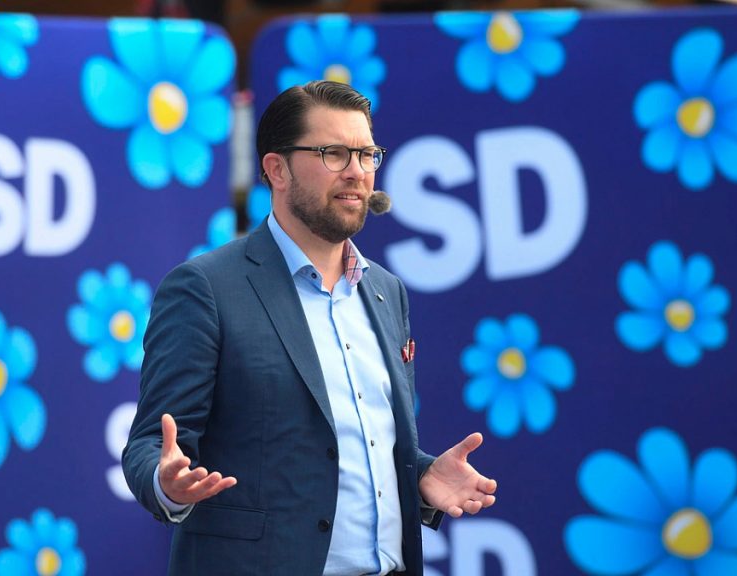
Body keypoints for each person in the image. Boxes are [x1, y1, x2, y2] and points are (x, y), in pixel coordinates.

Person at [122, 80, 497, 576]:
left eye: (367, 155)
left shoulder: (386, 291)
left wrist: (421, 475)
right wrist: (167, 484)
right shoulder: (205, 288)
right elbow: (152, 443)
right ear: (277, 169)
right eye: (334, 153)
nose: (357, 172)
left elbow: (350, 444)